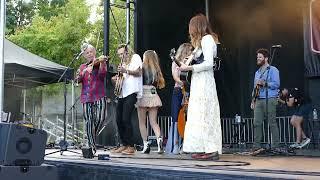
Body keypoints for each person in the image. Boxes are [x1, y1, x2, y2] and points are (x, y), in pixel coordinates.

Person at [178, 14, 222, 160]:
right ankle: (203, 147)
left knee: (206, 114)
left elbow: (209, 63)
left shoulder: (208, 39)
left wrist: (190, 68)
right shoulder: (199, 44)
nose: (189, 30)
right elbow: (194, 61)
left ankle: (211, 149)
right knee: (198, 115)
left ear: (197, 26)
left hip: (205, 82)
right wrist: (187, 63)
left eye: (191, 26)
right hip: (198, 82)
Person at [75, 43, 108, 153]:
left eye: (91, 52)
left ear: (95, 52)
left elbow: (102, 75)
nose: (89, 54)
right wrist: (83, 72)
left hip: (99, 95)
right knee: (89, 121)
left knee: (101, 118)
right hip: (86, 97)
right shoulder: (82, 66)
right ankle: (92, 146)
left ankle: (91, 138)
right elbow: (77, 81)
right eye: (87, 53)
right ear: (84, 55)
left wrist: (102, 63)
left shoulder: (99, 63)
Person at [110, 44, 143, 155]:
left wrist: (126, 70)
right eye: (119, 54)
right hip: (122, 94)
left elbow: (139, 73)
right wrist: (115, 80)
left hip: (131, 92)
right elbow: (121, 80)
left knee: (126, 118)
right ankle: (123, 144)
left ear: (127, 52)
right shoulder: (122, 63)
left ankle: (131, 146)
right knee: (118, 119)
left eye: (122, 54)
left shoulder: (135, 58)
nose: (120, 56)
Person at [165, 43, 193, 155]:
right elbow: (175, 77)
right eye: (190, 50)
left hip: (190, 91)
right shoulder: (175, 63)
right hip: (178, 91)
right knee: (176, 117)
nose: (192, 52)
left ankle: (186, 144)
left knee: (189, 118)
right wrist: (183, 84)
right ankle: (175, 144)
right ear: (185, 51)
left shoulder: (190, 63)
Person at [136, 50, 165, 154]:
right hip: (153, 92)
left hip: (143, 93)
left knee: (142, 122)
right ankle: (159, 140)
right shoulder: (156, 69)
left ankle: (146, 144)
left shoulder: (141, 67)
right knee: (153, 122)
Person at [250, 48, 280, 151]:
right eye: (257, 57)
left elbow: (276, 84)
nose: (258, 59)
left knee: (272, 122)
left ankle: (276, 146)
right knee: (256, 123)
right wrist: (253, 100)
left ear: (266, 58)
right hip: (258, 100)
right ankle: (256, 146)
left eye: (260, 57)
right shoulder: (257, 72)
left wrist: (265, 83)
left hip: (270, 98)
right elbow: (255, 88)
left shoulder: (273, 70)